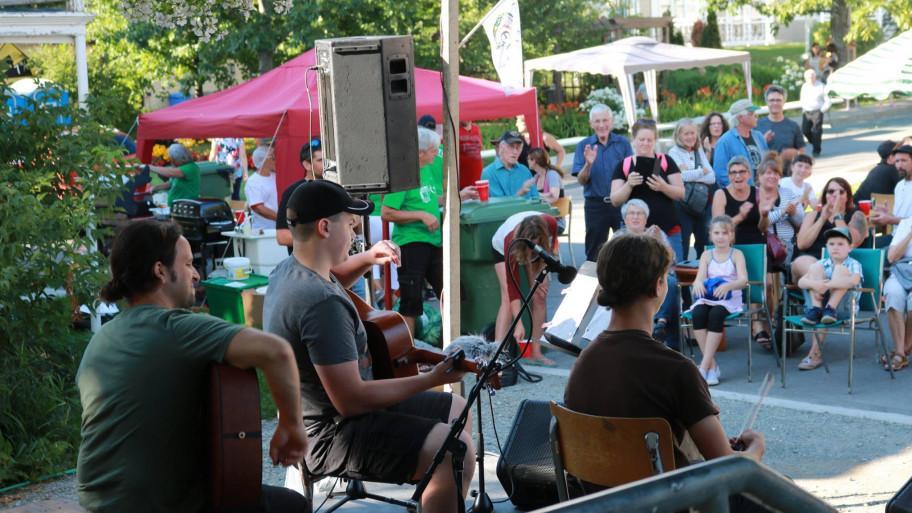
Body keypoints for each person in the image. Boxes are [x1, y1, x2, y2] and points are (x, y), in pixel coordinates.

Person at [263, 180, 473, 513]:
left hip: (320, 417)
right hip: (330, 433)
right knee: (452, 447)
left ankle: (440, 495)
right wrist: (432, 378)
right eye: (350, 225)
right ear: (324, 228)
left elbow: (333, 280)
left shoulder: (289, 271)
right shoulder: (320, 304)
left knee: (456, 410)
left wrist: (366, 259)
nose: (355, 233)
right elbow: (351, 400)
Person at [77, 220, 309, 513]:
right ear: (160, 271)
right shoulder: (176, 328)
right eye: (188, 264)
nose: (196, 274)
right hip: (156, 504)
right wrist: (292, 427)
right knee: (293, 505)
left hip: (98, 502)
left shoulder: (102, 339)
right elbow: (277, 352)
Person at [564, 233, 766, 511]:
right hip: (667, 503)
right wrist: (756, 446)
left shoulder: (584, 362)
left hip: (601, 504)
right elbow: (729, 466)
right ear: (659, 286)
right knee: (776, 491)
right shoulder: (676, 369)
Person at [381, 127, 446, 337]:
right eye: (433, 150)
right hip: (410, 243)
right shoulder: (402, 175)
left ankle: (449, 343)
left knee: (448, 292)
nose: (436, 153)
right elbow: (387, 212)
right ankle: (409, 354)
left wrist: (460, 195)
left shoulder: (426, 169)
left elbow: (427, 199)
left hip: (433, 241)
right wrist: (421, 216)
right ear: (419, 152)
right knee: (411, 301)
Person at [713, 156, 770, 345]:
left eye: (742, 172)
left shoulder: (758, 192)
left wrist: (764, 215)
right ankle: (721, 324)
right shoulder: (721, 194)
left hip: (755, 242)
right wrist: (740, 216)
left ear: (749, 174)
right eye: (733, 172)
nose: (737, 176)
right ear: (728, 176)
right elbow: (717, 227)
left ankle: (758, 325)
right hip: (729, 246)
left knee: (762, 283)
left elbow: (762, 228)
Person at [610, 119, 686, 260]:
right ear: (634, 139)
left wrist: (663, 187)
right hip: (636, 233)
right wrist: (629, 185)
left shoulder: (665, 161)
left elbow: (681, 193)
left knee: (674, 271)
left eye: (649, 140)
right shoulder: (624, 165)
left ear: (655, 140)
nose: (645, 143)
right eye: (641, 139)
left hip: (668, 228)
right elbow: (615, 200)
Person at [491, 212, 561, 365]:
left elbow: (548, 252)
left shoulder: (551, 223)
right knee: (507, 300)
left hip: (538, 248)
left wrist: (536, 282)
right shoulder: (510, 240)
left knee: (540, 296)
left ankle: (536, 352)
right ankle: (497, 358)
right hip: (503, 249)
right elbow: (513, 288)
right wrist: (519, 324)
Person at [689, 216, 748, 385]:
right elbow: (699, 278)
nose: (720, 236)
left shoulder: (736, 254)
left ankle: (703, 367)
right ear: (710, 235)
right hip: (709, 297)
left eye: (725, 233)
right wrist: (698, 282)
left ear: (731, 236)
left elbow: (743, 280)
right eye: (716, 233)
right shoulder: (707, 255)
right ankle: (711, 366)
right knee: (698, 314)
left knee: (715, 315)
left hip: (729, 298)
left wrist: (729, 286)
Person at [615, 199, 680, 350]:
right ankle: (661, 327)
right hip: (631, 281)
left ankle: (662, 327)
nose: (636, 217)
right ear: (625, 219)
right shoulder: (619, 237)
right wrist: (646, 241)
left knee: (670, 283)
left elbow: (672, 260)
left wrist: (658, 242)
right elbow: (617, 264)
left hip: (657, 278)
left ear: (646, 218)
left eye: (640, 213)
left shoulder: (657, 233)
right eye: (632, 213)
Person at [796, 227, 862, 370]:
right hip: (820, 307)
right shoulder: (822, 264)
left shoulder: (853, 264)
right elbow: (801, 282)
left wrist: (827, 285)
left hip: (844, 307)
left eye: (840, 244)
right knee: (814, 268)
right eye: (831, 244)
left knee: (840, 270)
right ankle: (818, 309)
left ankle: (828, 310)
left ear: (850, 248)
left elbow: (854, 281)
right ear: (826, 247)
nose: (835, 247)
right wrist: (817, 284)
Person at [573, 103, 633, 261]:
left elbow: (631, 173)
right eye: (597, 121)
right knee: (594, 253)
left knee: (627, 250)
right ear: (591, 123)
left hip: (621, 203)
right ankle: (594, 285)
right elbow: (581, 180)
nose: (601, 125)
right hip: (596, 206)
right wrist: (588, 164)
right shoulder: (583, 146)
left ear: (612, 122)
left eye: (605, 120)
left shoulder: (623, 143)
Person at [757, 155, 804, 344]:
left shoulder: (788, 193)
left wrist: (792, 214)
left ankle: (784, 328)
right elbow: (762, 224)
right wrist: (783, 212)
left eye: (776, 173)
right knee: (768, 286)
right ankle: (764, 324)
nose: (772, 176)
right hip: (765, 247)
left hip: (787, 245)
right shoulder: (755, 195)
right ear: (760, 176)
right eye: (768, 173)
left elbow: (800, 222)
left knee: (787, 286)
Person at [792, 177, 867, 285]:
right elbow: (802, 244)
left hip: (839, 266)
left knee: (829, 274)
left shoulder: (855, 215)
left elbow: (853, 242)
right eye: (831, 191)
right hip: (809, 261)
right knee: (815, 268)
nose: (835, 195)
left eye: (841, 192)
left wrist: (837, 215)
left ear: (848, 196)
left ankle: (818, 301)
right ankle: (825, 296)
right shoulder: (812, 216)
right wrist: (822, 219)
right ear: (825, 195)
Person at [668, 118, 716, 259]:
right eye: (686, 134)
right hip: (683, 205)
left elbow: (712, 177)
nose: (690, 137)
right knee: (683, 243)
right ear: (678, 135)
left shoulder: (698, 150)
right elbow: (680, 177)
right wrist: (701, 171)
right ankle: (682, 278)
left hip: (702, 204)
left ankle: (704, 275)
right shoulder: (673, 153)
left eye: (693, 133)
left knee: (704, 242)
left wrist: (690, 173)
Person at [276, 138, 324, 250]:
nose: (327, 164)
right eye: (321, 160)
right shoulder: (293, 192)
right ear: (307, 165)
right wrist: (323, 241)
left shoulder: (337, 188)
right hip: (306, 264)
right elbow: (282, 236)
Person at [712, 99, 769, 186]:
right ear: (740, 118)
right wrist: (743, 188)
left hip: (763, 190)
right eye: (751, 114)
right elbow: (720, 174)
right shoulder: (724, 142)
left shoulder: (759, 136)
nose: (756, 116)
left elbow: (768, 163)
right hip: (740, 195)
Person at [882, 217, 912, 372]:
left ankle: (904, 349)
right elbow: (891, 257)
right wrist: (910, 234)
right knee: (892, 292)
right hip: (902, 270)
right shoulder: (906, 223)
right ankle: (901, 352)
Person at [757, 85, 805, 174]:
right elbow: (750, 153)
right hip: (765, 176)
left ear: (784, 102)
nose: (775, 103)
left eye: (778, 100)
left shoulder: (793, 126)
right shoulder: (757, 125)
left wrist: (796, 153)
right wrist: (762, 141)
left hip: (789, 176)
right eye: (771, 100)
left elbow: (802, 153)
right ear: (766, 102)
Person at [482, 130, 539, 200]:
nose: (515, 152)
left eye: (518, 148)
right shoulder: (488, 173)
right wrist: (521, 193)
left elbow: (536, 199)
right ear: (502, 147)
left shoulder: (525, 170)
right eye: (511, 147)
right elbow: (499, 207)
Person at [869, 145, 912, 231]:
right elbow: (899, 217)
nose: (899, 165)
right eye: (897, 161)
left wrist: (890, 219)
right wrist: (886, 214)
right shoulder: (899, 186)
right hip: (896, 236)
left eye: (903, 160)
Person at [147, 143, 200, 207]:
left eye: (173, 160)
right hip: (175, 207)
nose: (172, 162)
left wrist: (150, 167)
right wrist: (155, 188)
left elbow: (170, 173)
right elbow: (170, 184)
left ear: (181, 158)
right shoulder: (180, 168)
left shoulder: (191, 168)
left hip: (185, 207)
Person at [528, 147, 566, 231]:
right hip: (540, 220)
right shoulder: (536, 177)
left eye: (529, 159)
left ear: (534, 160)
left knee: (529, 231)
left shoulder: (552, 174)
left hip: (556, 221)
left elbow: (554, 196)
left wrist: (536, 196)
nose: (527, 162)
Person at [245, 146, 278, 231]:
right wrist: (281, 218)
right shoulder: (253, 182)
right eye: (273, 158)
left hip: (279, 228)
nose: (276, 160)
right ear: (265, 160)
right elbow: (258, 208)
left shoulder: (275, 176)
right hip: (263, 231)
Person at [799, 69, 831, 157]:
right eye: (808, 77)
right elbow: (802, 98)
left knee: (816, 131)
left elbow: (827, 100)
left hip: (817, 111)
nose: (810, 79)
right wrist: (803, 108)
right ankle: (814, 142)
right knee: (805, 130)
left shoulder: (821, 86)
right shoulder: (804, 86)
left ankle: (816, 150)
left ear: (815, 77)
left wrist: (822, 110)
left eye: (812, 77)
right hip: (807, 111)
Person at [458, 120, 484, 189]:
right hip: (462, 182)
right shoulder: (454, 130)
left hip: (479, 179)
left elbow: (480, 147)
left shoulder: (476, 129)